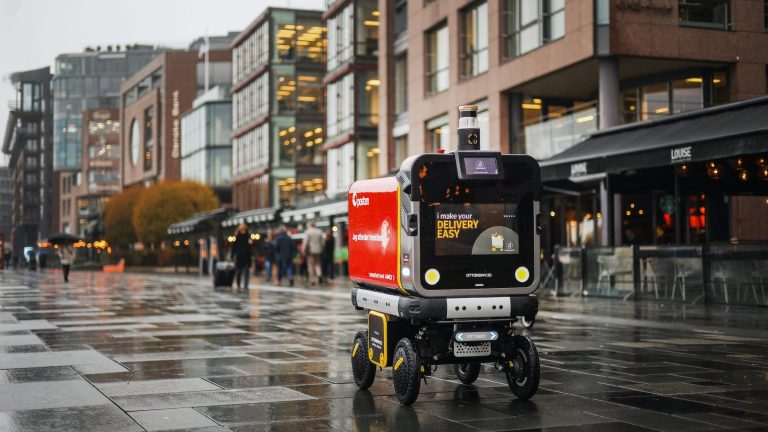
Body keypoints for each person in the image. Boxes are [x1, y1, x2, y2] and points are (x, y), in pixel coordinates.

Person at [231, 224, 253, 291]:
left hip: (247, 257)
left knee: (246, 272)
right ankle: (238, 285)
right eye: (242, 229)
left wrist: (251, 243)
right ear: (239, 230)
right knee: (239, 272)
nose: (243, 231)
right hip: (239, 257)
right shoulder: (236, 237)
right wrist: (232, 255)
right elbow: (233, 247)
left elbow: (251, 248)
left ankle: (246, 286)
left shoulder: (248, 236)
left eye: (244, 229)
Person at [302, 221, 324, 285]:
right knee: (318, 264)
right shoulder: (319, 231)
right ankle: (319, 275)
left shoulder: (308, 232)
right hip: (318, 250)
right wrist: (322, 249)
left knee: (310, 265)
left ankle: (312, 280)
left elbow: (305, 242)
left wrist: (303, 250)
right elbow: (322, 242)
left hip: (310, 251)